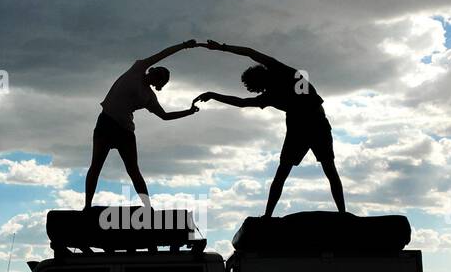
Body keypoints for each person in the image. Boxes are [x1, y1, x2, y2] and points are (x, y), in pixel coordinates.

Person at [194, 39, 346, 218]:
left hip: (312, 124)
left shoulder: (280, 73)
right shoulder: (271, 91)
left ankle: (341, 214)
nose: (257, 91)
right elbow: (242, 101)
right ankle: (269, 215)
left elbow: (249, 55)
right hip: (304, 126)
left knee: (314, 170)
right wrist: (214, 94)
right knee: (311, 170)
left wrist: (222, 48)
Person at [84, 39, 200, 210]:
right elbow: (163, 54)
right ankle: (87, 206)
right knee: (96, 166)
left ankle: (148, 207)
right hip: (106, 122)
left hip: (125, 131)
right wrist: (184, 45)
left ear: (158, 82)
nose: (156, 75)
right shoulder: (138, 69)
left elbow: (165, 116)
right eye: (157, 72)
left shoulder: (149, 97)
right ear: (151, 70)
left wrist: (188, 112)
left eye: (160, 78)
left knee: (133, 171)